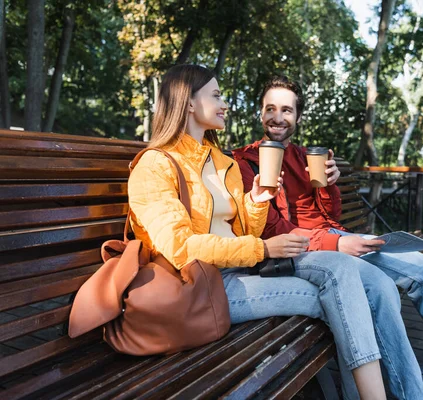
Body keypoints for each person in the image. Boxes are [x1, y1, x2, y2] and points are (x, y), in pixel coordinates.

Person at [232, 75, 423, 400]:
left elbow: (329, 218)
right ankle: (415, 395)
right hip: (296, 253)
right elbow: (268, 231)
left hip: (333, 238)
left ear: (297, 117)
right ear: (260, 113)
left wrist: (329, 185)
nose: (277, 117)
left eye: (286, 110)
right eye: (270, 108)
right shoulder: (245, 162)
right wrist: (338, 243)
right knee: (380, 288)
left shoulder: (302, 156)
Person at [126, 64, 391, 399]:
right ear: (189, 103)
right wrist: (264, 249)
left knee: (340, 276)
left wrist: (256, 200)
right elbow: (179, 248)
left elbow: (244, 230)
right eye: (216, 96)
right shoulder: (155, 165)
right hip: (199, 286)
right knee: (341, 297)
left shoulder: (222, 163)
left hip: (241, 272)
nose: (225, 104)